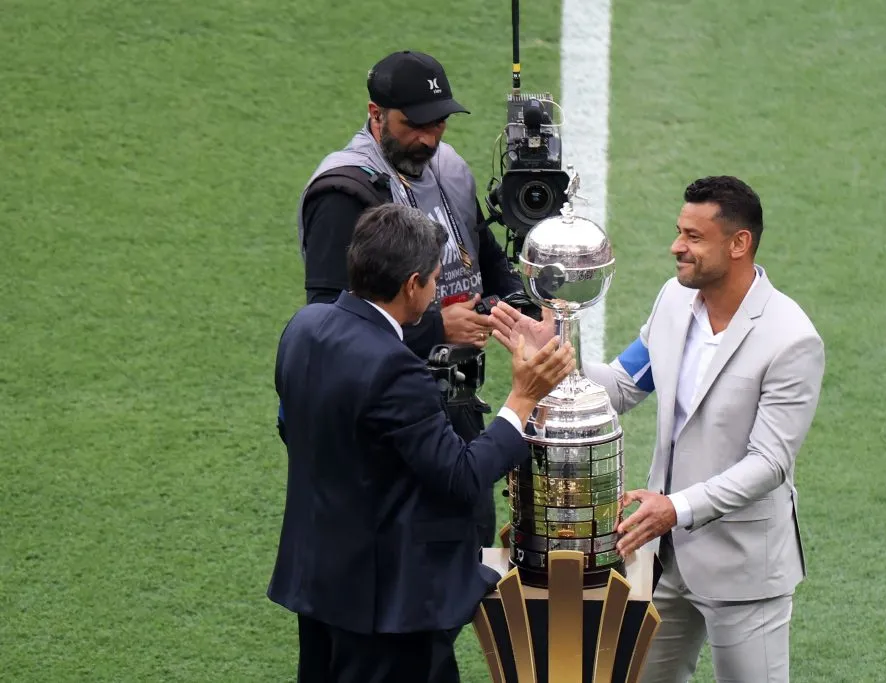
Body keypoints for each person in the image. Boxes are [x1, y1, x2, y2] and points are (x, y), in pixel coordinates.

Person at [488, 176, 826, 682]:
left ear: (739, 244)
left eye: (693, 236)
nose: (676, 246)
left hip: (743, 570)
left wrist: (676, 508)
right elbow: (624, 385)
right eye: (678, 231)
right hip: (662, 558)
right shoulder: (674, 301)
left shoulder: (791, 339)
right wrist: (557, 358)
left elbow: (769, 464)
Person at [268, 203, 575, 683]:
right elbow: (462, 476)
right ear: (412, 284)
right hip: (387, 607)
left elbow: (294, 429)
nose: (436, 292)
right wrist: (523, 397)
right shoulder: (395, 369)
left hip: (318, 583)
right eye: (433, 280)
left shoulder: (303, 329)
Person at [294, 49, 531, 550]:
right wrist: (437, 328)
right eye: (414, 125)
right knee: (410, 554)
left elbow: (481, 249)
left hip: (455, 392)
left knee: (469, 533)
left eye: (438, 123)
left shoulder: (448, 168)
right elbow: (328, 327)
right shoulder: (344, 192)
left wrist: (516, 304)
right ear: (375, 114)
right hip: (383, 412)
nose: (428, 138)